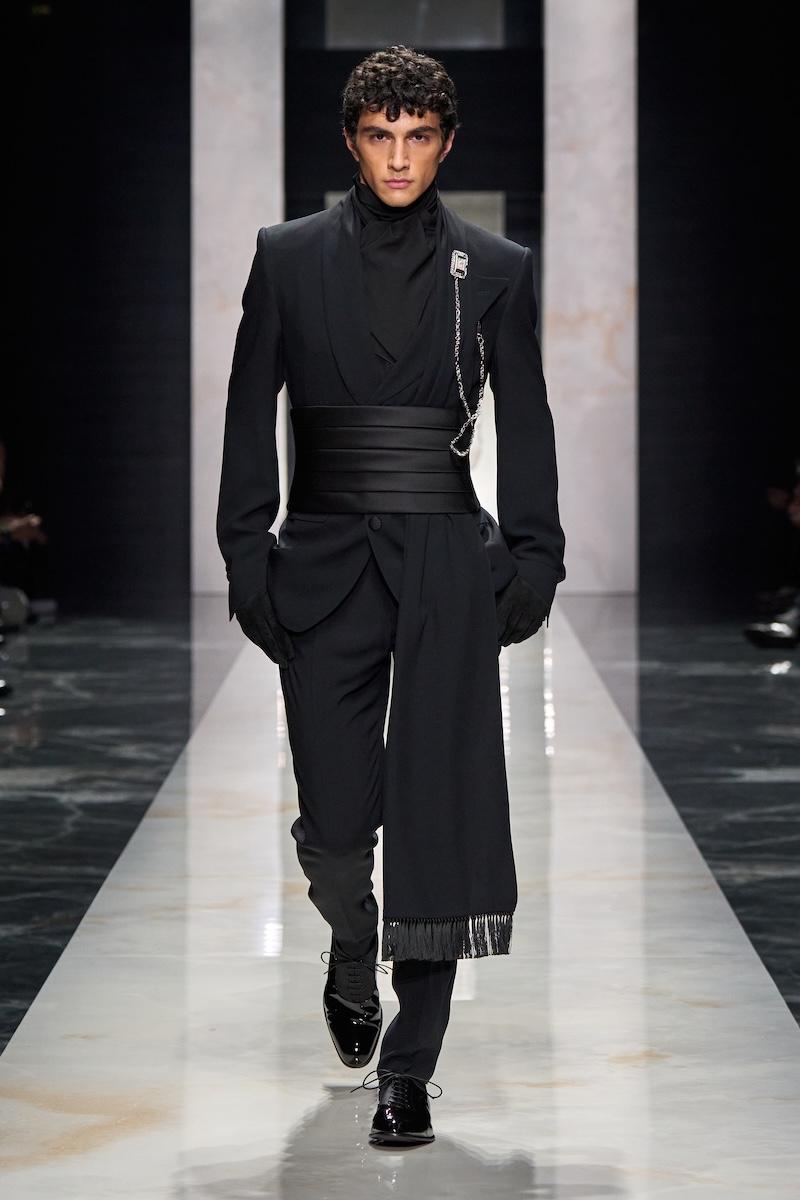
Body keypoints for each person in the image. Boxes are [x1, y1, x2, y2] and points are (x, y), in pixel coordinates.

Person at [216, 44, 566, 1147]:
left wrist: (536, 556)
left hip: (447, 565)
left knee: (435, 814)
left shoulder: (493, 268)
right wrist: (244, 556)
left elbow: (529, 417)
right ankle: (347, 933)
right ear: (352, 141)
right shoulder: (287, 258)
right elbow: (246, 410)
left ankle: (408, 1071)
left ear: (446, 144)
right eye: (380, 136)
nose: (399, 156)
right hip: (320, 560)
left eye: (418, 137)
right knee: (335, 824)